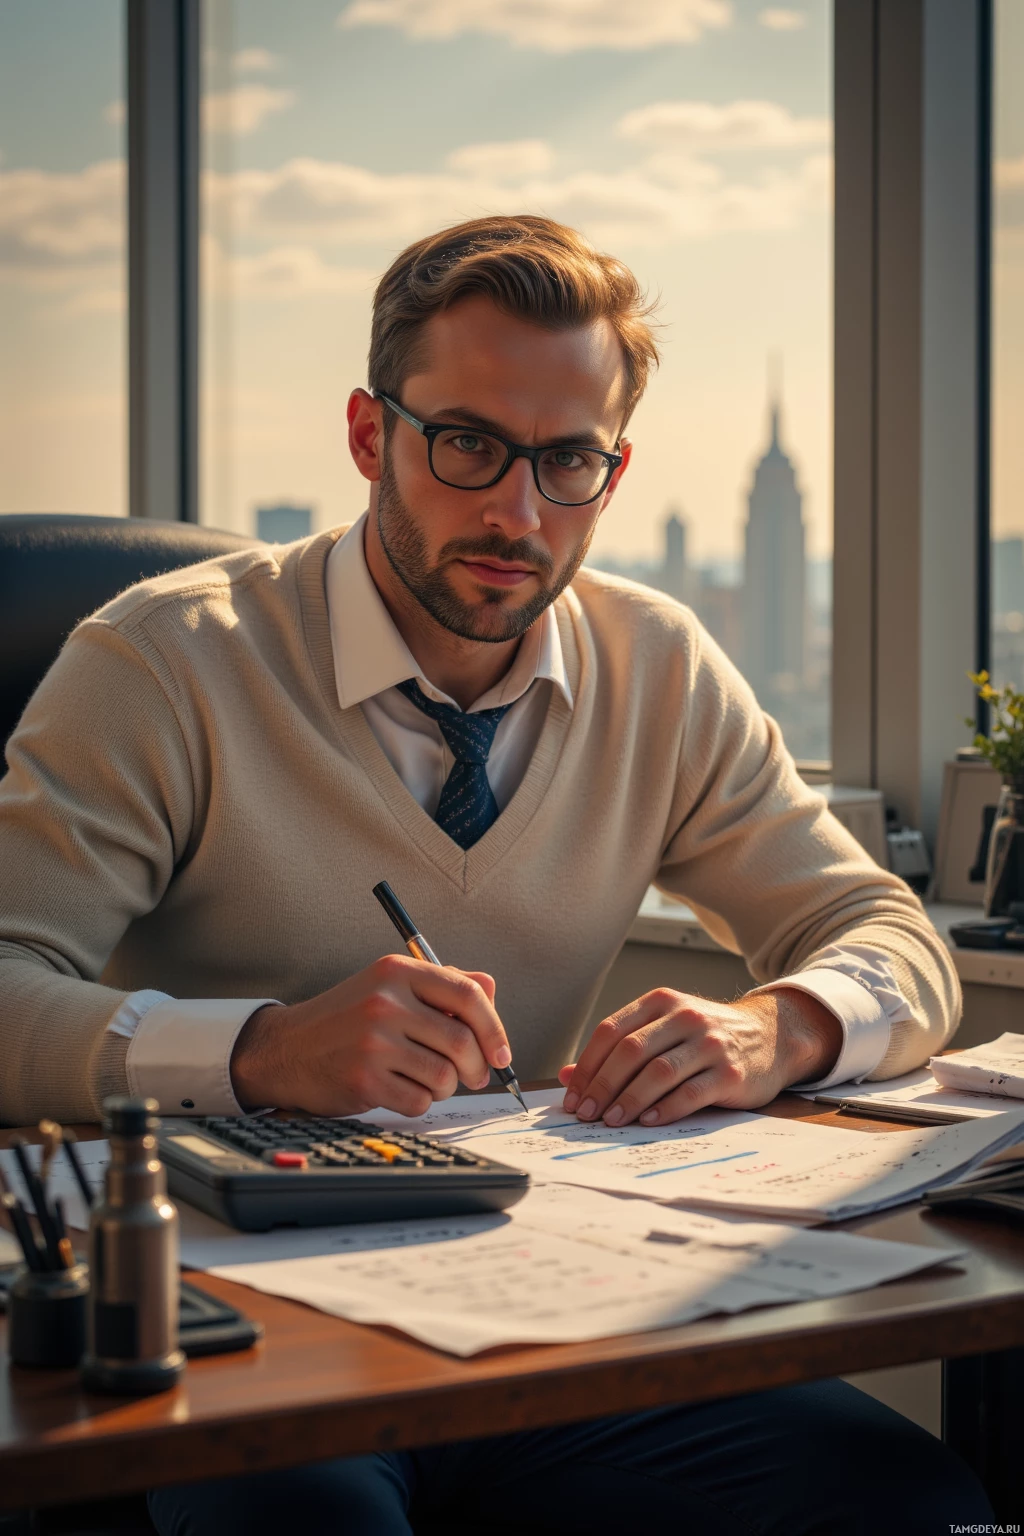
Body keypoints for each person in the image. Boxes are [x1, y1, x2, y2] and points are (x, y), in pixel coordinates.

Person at [0, 215, 991, 1532]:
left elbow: (887, 934)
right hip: (221, 1314)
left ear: (613, 470)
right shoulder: (166, 662)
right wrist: (257, 1053)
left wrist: (776, 1028)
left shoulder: (661, 666)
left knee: (910, 1500)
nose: (516, 512)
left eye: (567, 460)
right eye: (467, 443)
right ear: (370, 439)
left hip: (535, 1313)